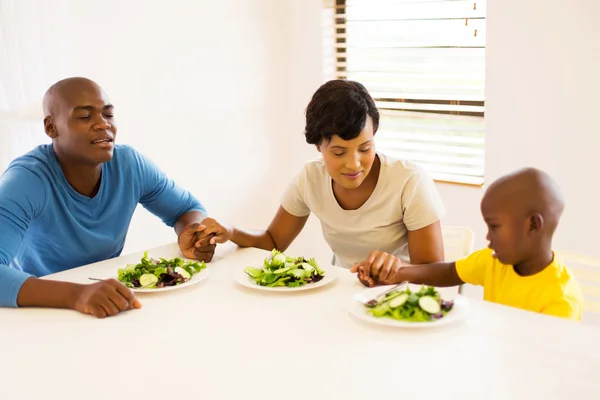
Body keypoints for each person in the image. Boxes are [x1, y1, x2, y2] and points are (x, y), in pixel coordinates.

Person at [0, 77, 215, 318]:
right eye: (85, 116)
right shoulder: (26, 180)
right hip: (41, 309)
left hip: (104, 300)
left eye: (108, 115)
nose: (103, 125)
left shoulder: (130, 165)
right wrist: (77, 295)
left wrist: (194, 235)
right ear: (51, 127)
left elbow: (187, 209)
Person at [194, 79, 446, 269]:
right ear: (319, 147)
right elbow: (273, 241)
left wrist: (394, 270)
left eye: (365, 148)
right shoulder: (310, 178)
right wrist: (231, 232)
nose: (354, 164)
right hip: (344, 295)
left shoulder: (408, 180)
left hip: (399, 297)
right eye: (338, 152)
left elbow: (433, 272)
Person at [351, 167, 584, 321]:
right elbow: (449, 272)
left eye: (494, 227)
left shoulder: (561, 302)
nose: (488, 238)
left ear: (532, 226)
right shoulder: (493, 261)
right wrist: (396, 274)